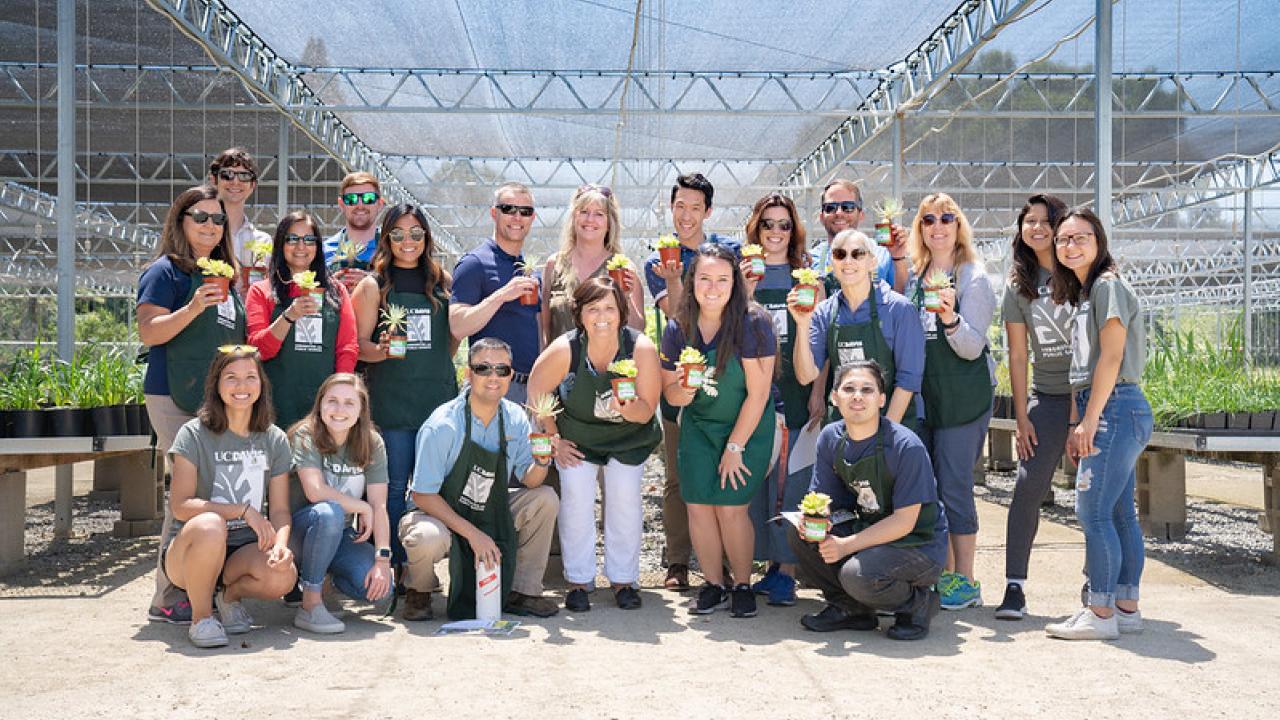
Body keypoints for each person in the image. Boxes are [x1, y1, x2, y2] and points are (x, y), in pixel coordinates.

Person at [137, 185, 245, 625]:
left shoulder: (224, 273)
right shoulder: (166, 272)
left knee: (210, 495)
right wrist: (193, 307)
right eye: (199, 217)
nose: (209, 226)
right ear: (180, 221)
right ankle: (168, 594)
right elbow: (149, 332)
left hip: (213, 399)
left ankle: (201, 585)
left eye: (217, 219)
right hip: (174, 396)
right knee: (186, 496)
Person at [1044, 208, 1152, 641]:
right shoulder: (1089, 292)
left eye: (1080, 237)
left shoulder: (1106, 286)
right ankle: (1126, 607)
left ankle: (1101, 612)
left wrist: (1090, 420)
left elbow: (1110, 356)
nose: (1070, 245)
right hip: (1113, 406)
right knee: (1120, 511)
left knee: (1092, 513)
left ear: (1099, 240)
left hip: (1113, 406)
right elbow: (1085, 366)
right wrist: (1078, 418)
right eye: (1063, 240)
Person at [398, 338, 561, 620]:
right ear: (468, 374)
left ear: (511, 375)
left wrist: (543, 458)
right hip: (437, 512)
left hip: (489, 507)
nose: (493, 377)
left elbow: (530, 480)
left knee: (544, 499)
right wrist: (473, 534)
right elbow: (422, 495)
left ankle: (522, 590)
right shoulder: (443, 425)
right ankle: (419, 591)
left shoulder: (515, 418)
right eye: (483, 368)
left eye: (502, 370)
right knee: (425, 536)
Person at [787, 360, 948, 641]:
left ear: (882, 399)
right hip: (868, 528)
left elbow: (905, 522)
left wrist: (846, 545)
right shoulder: (830, 437)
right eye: (848, 389)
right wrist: (814, 521)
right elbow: (825, 501)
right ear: (835, 398)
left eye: (867, 389)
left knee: (857, 576)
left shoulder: (905, 446)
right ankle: (851, 609)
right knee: (802, 533)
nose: (857, 396)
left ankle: (918, 604)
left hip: (917, 542)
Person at [526, 278, 662, 611]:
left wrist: (628, 408)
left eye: (609, 308)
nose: (602, 316)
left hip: (628, 436)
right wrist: (554, 438)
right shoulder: (566, 349)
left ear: (622, 312)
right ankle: (578, 580)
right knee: (575, 494)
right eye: (593, 308)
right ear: (580, 314)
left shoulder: (640, 348)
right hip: (578, 435)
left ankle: (623, 580)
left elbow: (646, 413)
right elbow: (536, 389)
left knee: (625, 498)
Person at [660, 243, 776, 618]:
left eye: (723, 279)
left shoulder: (754, 323)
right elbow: (672, 397)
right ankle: (714, 584)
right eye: (705, 278)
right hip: (699, 428)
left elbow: (758, 396)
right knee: (698, 507)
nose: (713, 288)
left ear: (735, 283)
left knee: (730, 508)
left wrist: (735, 448)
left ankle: (742, 584)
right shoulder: (678, 329)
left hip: (747, 428)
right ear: (692, 281)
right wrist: (685, 387)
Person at [641, 172, 740, 592]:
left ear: (708, 211)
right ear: (671, 207)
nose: (686, 214)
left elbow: (736, 305)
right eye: (680, 205)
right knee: (679, 475)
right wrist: (672, 277)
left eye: (695, 207)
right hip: (679, 381)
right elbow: (682, 316)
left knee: (729, 469)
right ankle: (679, 561)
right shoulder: (658, 262)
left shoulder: (728, 253)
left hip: (726, 381)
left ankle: (733, 565)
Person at [161, 346, 295, 648]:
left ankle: (228, 598)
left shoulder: (273, 438)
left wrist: (282, 546)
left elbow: (281, 510)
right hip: (190, 551)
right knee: (210, 524)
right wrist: (243, 510)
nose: (242, 386)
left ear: (262, 385)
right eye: (231, 378)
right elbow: (181, 506)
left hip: (242, 551)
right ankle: (202, 619)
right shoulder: (192, 434)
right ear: (216, 384)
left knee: (283, 577)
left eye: (251, 377)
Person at [903, 193, 996, 611]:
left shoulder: (972, 278)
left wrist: (949, 317)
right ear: (919, 229)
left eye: (946, 218)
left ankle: (967, 581)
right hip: (928, 399)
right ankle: (942, 575)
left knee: (956, 488)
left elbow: (973, 347)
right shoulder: (915, 276)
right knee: (931, 489)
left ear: (959, 226)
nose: (937, 226)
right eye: (928, 220)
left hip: (963, 396)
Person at [352, 204, 458, 569]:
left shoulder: (442, 282)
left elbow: (451, 340)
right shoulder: (372, 286)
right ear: (386, 238)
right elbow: (356, 346)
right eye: (397, 233)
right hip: (391, 403)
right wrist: (381, 353)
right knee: (394, 488)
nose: (407, 241)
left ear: (426, 238)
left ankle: (425, 567)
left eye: (416, 233)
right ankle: (393, 567)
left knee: (436, 488)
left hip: (436, 399)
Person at [738, 193, 825, 607]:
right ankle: (760, 564)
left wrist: (819, 393)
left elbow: (822, 342)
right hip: (751, 392)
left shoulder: (807, 278)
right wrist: (746, 289)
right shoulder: (739, 275)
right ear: (755, 229)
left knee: (791, 480)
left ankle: (787, 571)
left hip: (795, 389)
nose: (775, 232)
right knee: (756, 475)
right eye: (768, 224)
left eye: (784, 225)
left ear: (795, 232)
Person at [997, 194, 1073, 621]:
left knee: (1097, 494)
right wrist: (1022, 415)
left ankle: (1098, 583)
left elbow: (1094, 348)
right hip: (1046, 397)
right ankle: (1014, 587)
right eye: (1030, 221)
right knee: (1028, 486)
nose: (1038, 228)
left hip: (1089, 394)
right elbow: (1019, 355)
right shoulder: (1018, 285)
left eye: (1047, 221)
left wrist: (1084, 410)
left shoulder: (1081, 272)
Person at [286, 373, 392, 634]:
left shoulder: (371, 442)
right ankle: (310, 604)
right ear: (320, 403)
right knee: (328, 512)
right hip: (301, 533)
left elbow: (379, 505)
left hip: (342, 536)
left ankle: (326, 582)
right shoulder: (305, 433)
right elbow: (315, 491)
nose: (339, 410)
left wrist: (383, 560)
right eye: (332, 401)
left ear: (361, 409)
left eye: (349, 403)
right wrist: (361, 507)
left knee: (380, 590)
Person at [792, 229, 924, 428]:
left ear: (872, 262)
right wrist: (802, 325)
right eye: (839, 254)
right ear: (832, 264)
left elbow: (908, 381)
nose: (848, 261)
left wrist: (884, 436)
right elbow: (805, 375)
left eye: (858, 254)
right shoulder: (824, 312)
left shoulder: (899, 309)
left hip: (892, 430)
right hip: (842, 431)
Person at [246, 211, 358, 430]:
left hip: (324, 410)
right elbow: (258, 349)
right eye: (292, 239)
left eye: (309, 239)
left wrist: (340, 396)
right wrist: (289, 316)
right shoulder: (261, 291)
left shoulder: (336, 291)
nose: (301, 246)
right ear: (280, 243)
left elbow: (347, 347)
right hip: (274, 407)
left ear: (317, 246)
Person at [449, 182, 542, 404]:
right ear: (494, 213)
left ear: (532, 218)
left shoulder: (530, 272)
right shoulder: (475, 263)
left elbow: (539, 330)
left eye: (525, 211)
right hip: (492, 386)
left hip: (530, 389)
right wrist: (501, 295)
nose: (517, 217)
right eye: (508, 209)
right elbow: (457, 326)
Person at [541, 184, 644, 343]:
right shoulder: (554, 265)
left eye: (599, 214)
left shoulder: (622, 267)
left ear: (609, 222)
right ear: (574, 217)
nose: (590, 219)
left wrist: (626, 298)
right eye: (584, 212)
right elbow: (544, 328)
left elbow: (637, 332)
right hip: (561, 365)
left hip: (608, 366)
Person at [809, 179, 908, 297]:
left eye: (848, 207)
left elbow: (902, 299)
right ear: (821, 217)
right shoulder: (811, 259)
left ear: (861, 214)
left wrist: (899, 257)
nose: (839, 213)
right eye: (831, 207)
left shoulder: (881, 254)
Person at [207, 147, 272, 289]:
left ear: (253, 185)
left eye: (244, 176)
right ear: (213, 180)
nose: (235, 182)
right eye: (227, 175)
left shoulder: (263, 241)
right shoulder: (201, 232)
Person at [322, 171, 385, 291]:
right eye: (351, 199)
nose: (360, 205)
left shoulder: (394, 249)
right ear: (341, 204)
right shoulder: (323, 251)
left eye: (369, 198)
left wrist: (373, 282)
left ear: (380, 203)